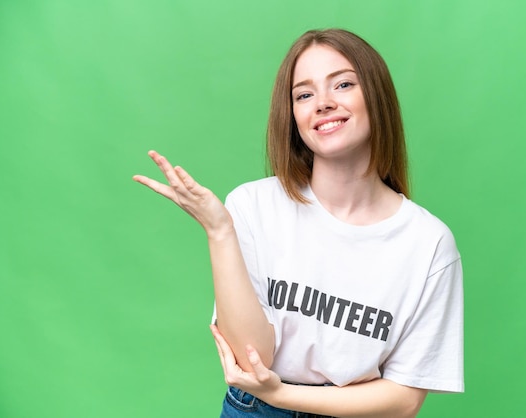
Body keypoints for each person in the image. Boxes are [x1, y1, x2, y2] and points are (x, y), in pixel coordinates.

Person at [133, 28, 463, 418]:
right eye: (304, 94)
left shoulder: (428, 243)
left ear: (377, 96)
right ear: (293, 117)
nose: (322, 103)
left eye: (342, 84)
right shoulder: (254, 205)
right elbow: (250, 359)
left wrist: (283, 396)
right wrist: (220, 232)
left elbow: (404, 399)